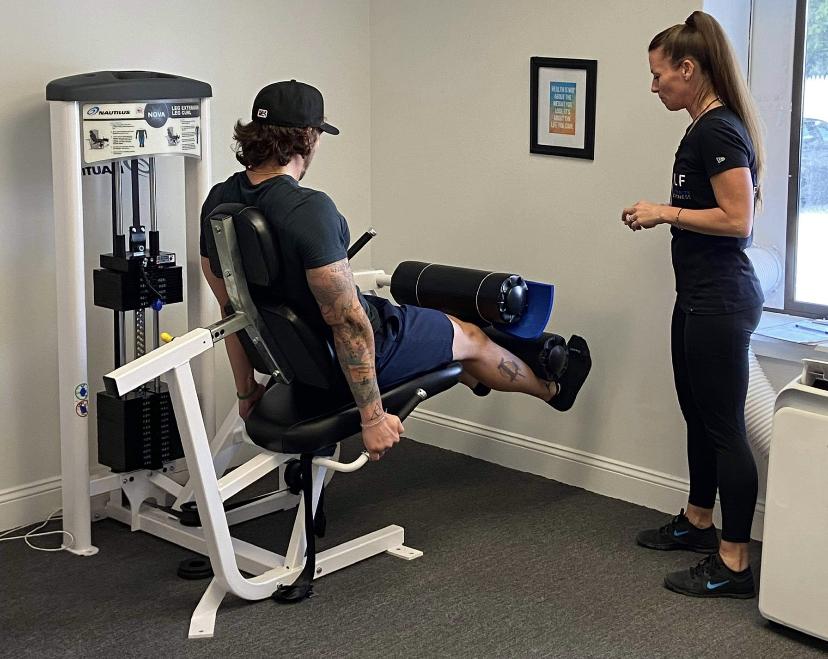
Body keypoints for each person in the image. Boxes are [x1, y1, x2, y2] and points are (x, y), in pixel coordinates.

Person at [199, 80, 592, 461]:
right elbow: (350, 325)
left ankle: (472, 373)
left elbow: (233, 309)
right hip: (354, 352)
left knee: (447, 329)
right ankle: (553, 390)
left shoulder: (219, 202)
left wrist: (247, 390)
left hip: (298, 356)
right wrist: (372, 417)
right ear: (309, 137)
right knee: (471, 338)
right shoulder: (310, 210)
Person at [622, 12, 765, 599]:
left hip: (721, 302)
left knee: (724, 426)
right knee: (699, 415)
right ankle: (698, 521)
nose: (653, 86)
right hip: (699, 297)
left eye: (659, 75)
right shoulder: (702, 125)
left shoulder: (717, 131)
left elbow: (739, 221)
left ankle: (733, 564)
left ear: (688, 69)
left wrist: (664, 211)